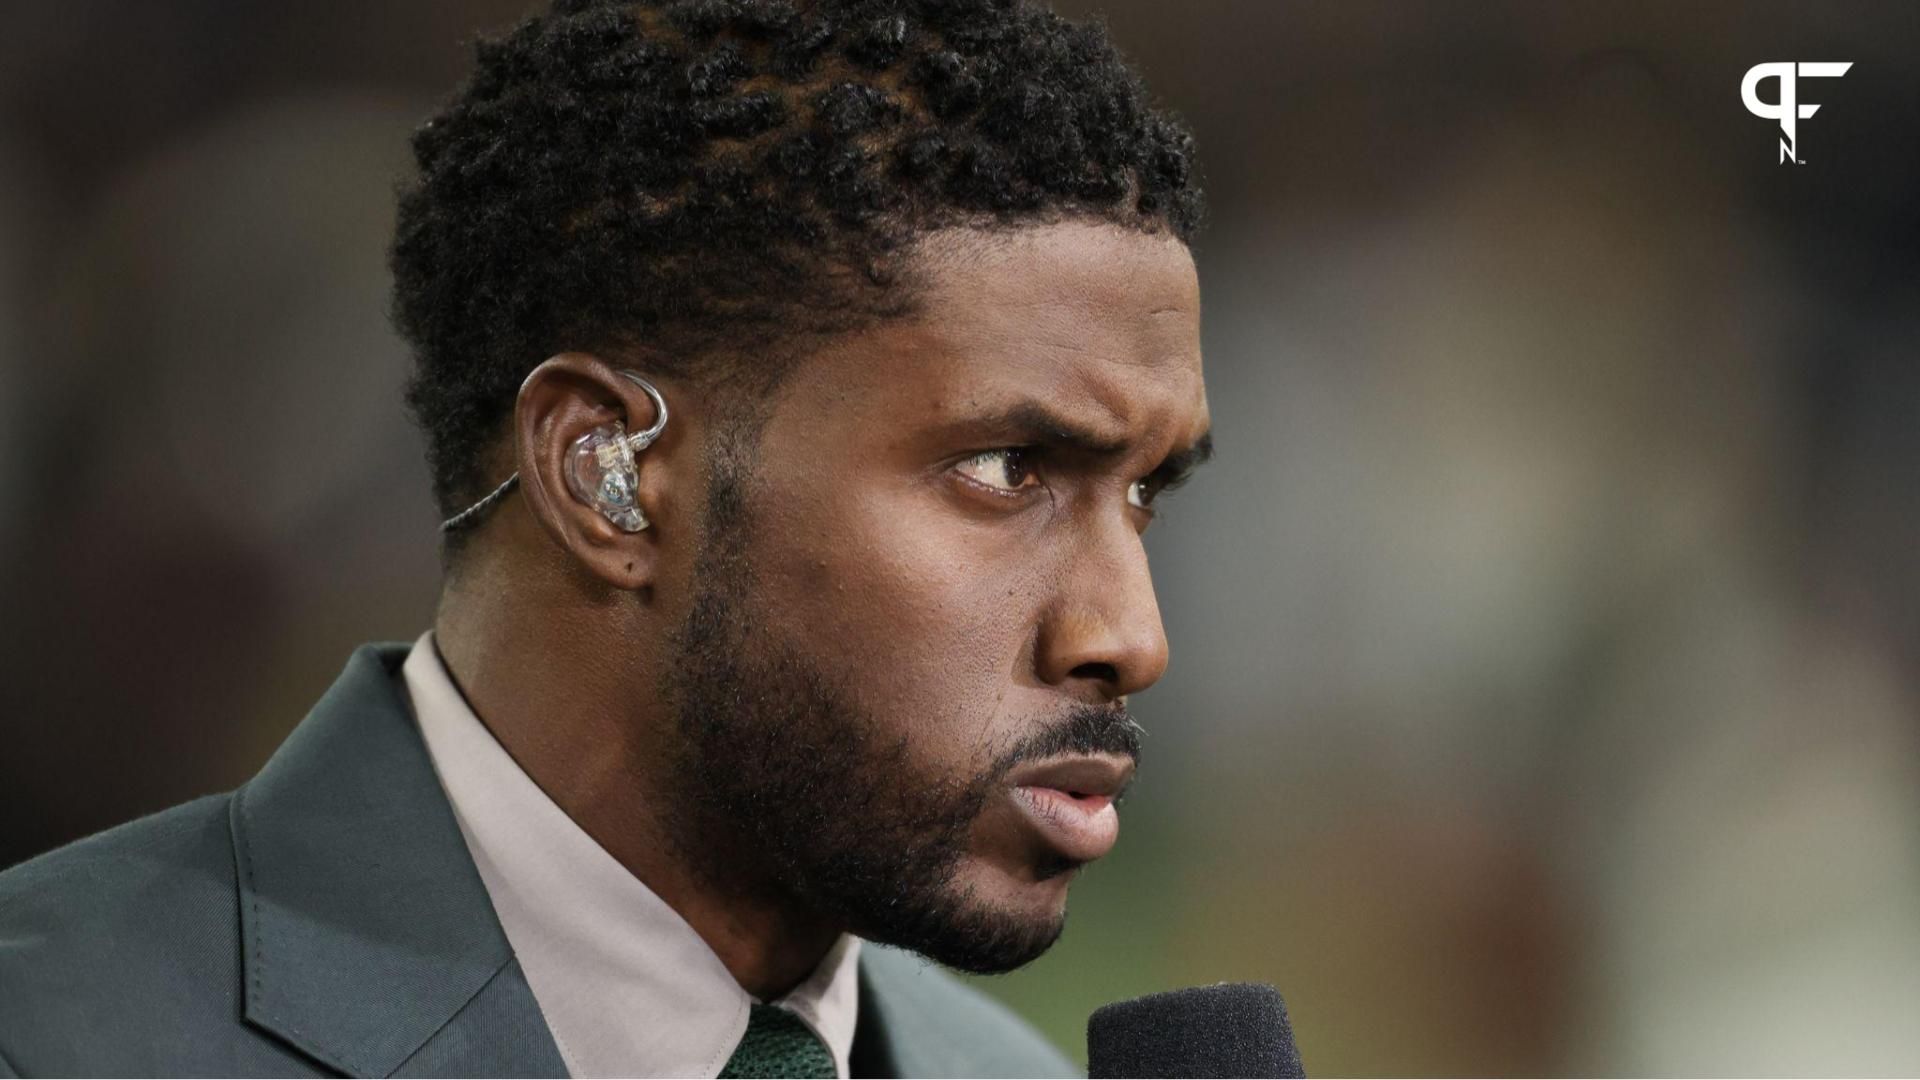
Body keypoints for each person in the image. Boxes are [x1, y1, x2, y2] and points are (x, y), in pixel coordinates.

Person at [0, 0, 1211, 1074]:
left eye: (1147, 488)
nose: (1129, 636)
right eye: (1008, 471)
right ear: (604, 475)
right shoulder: (53, 1034)